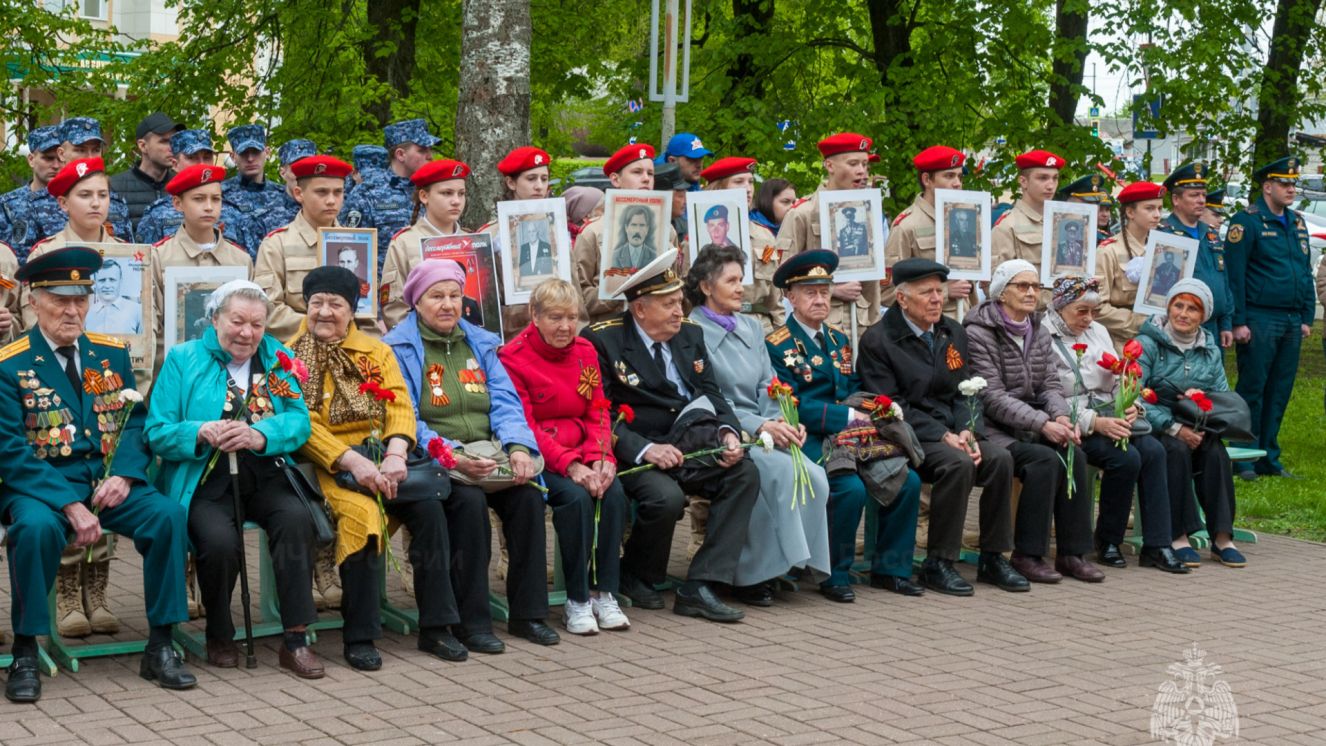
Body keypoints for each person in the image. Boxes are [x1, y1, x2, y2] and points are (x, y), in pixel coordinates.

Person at [0, 247, 196, 703]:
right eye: (60, 300)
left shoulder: (109, 354)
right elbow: (8, 450)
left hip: (107, 481)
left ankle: (161, 645)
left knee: (166, 516)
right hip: (42, 485)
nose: (72, 311)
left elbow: (134, 422)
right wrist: (68, 505)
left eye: (80, 299)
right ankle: (26, 651)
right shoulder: (9, 363)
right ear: (33, 301)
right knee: (32, 529)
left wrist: (126, 476)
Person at [288, 266, 468, 668]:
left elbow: (400, 406)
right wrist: (352, 461)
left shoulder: (376, 350)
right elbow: (301, 423)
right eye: (316, 303)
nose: (324, 312)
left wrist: (396, 453)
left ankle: (437, 627)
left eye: (336, 304)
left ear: (352, 311)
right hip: (328, 464)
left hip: (384, 456)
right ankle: (360, 634)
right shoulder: (289, 356)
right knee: (363, 516)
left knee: (429, 510)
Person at [145, 279, 324, 677]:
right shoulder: (183, 358)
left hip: (265, 471)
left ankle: (295, 637)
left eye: (257, 324)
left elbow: (299, 421)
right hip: (206, 476)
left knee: (296, 520)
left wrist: (262, 434)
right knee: (219, 542)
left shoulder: (276, 357)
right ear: (214, 319)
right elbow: (156, 430)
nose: (247, 333)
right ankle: (219, 632)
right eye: (237, 321)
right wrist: (200, 431)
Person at [384, 259, 558, 650]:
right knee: (468, 503)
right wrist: (453, 456)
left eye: (454, 295)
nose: (447, 304)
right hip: (440, 461)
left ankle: (528, 616)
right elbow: (405, 416)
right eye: (436, 296)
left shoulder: (481, 342)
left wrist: (518, 448)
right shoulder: (397, 348)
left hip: (491, 452)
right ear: (416, 302)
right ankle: (472, 621)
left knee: (529, 498)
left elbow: (506, 402)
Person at [581, 249, 758, 622]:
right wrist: (645, 449)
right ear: (640, 309)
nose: (681, 311)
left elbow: (711, 392)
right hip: (638, 449)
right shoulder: (604, 340)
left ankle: (702, 583)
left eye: (680, 301)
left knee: (744, 472)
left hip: (690, 444)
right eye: (669, 304)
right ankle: (638, 575)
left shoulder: (689, 335)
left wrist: (728, 432)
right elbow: (601, 412)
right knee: (665, 497)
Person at [857, 258, 1026, 595]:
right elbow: (888, 405)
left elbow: (966, 390)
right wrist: (941, 435)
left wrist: (967, 429)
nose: (937, 298)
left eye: (940, 290)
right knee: (958, 464)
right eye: (927, 292)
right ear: (902, 298)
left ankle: (993, 557)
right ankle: (939, 562)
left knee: (999, 458)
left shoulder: (952, 331)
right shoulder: (879, 340)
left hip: (952, 430)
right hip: (907, 432)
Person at [766, 250, 923, 601]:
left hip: (851, 434)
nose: (820, 299)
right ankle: (833, 572)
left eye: (824, 291)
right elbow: (790, 403)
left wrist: (879, 408)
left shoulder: (838, 341)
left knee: (906, 479)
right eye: (810, 293)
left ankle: (892, 569)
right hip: (809, 435)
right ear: (790, 298)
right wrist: (847, 417)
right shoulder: (777, 345)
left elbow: (851, 389)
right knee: (847, 488)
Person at [685, 245, 832, 605]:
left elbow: (771, 385)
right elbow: (712, 398)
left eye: (741, 280)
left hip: (764, 426)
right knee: (777, 475)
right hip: (730, 431)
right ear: (706, 286)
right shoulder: (692, 331)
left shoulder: (752, 326)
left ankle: (787, 565)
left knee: (814, 475)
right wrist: (760, 427)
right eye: (731, 281)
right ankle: (751, 575)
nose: (740, 288)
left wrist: (784, 421)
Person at [20, 158, 129, 630]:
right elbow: (35, 322)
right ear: (64, 202)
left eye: (103, 194)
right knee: (63, 454)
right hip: (57, 368)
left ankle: (97, 587)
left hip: (116, 367)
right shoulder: (48, 253)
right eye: (86, 195)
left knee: (106, 465)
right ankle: (67, 591)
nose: (96, 203)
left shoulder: (129, 251)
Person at [499, 278, 631, 635]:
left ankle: (605, 591)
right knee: (575, 500)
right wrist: (571, 466)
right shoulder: (513, 358)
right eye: (556, 317)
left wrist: (602, 458)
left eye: (572, 317)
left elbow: (598, 410)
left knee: (613, 492)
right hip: (545, 456)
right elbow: (526, 425)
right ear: (534, 316)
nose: (566, 327)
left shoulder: (585, 350)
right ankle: (576, 599)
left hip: (586, 450)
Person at [964, 259, 1098, 583]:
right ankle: (1027, 554)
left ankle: (1071, 553)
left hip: (1032, 420)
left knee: (1074, 454)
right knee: (1043, 461)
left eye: (1035, 286)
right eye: (1021, 286)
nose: (1030, 292)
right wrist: (1043, 424)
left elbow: (1050, 384)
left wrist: (1062, 417)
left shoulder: (1036, 329)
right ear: (1001, 293)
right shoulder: (979, 333)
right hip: (994, 427)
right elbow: (991, 396)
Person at [1044, 276, 1188, 573]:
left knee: (1154, 450)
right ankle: (1109, 540)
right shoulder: (1044, 337)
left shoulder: (1098, 331)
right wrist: (1095, 422)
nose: (1088, 319)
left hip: (1112, 415)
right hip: (1075, 422)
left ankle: (1157, 545)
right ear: (1060, 307)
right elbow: (1047, 396)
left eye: (1093, 312)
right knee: (1125, 457)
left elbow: (1117, 377)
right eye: (1081, 311)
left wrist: (1131, 404)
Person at [1136, 279, 1246, 567]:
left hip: (1198, 423)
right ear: (1169, 307)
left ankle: (1222, 537)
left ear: (1203, 316)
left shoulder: (1209, 348)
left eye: (1192, 309)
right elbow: (1134, 396)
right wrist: (1174, 427)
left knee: (1215, 453)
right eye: (1178, 305)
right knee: (1175, 450)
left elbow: (1220, 396)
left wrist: (1201, 412)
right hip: (1156, 423)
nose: (1183, 314)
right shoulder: (1147, 343)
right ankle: (1178, 534)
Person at [1224, 156, 1315, 480]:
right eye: (1284, 183)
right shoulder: (1245, 222)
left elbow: (1303, 270)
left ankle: (1269, 458)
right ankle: (1243, 457)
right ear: (1267, 187)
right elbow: (1235, 276)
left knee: (1279, 390)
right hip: (1260, 318)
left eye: (1293, 183)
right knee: (1253, 388)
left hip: (1291, 319)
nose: (1291, 189)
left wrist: (1307, 314)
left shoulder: (1297, 222)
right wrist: (1238, 321)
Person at [146, 163, 255, 398]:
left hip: (230, 377)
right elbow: (151, 325)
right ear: (177, 204)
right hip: (174, 378)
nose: (209, 207)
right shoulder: (158, 256)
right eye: (198, 199)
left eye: (216, 199)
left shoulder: (240, 259)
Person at [777, 133, 881, 330]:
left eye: (865, 164)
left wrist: (875, 325)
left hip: (861, 323)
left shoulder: (867, 213)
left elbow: (872, 284)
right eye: (853, 164)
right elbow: (783, 278)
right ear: (830, 166)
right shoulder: (803, 213)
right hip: (818, 324)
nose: (862, 172)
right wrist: (832, 290)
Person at [573, 143, 681, 324]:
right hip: (610, 329)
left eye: (650, 173)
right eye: (637, 172)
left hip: (655, 327)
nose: (646, 179)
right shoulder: (593, 232)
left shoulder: (667, 231)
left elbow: (675, 282)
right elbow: (579, 294)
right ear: (616, 180)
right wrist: (619, 292)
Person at [255, 155, 356, 342]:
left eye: (338, 192)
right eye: (322, 192)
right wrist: (320, 327)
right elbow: (268, 310)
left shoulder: (356, 243)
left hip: (349, 347)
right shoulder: (277, 245)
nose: (331, 200)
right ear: (299, 194)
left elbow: (367, 312)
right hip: (295, 352)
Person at [884, 145, 977, 316]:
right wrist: (945, 291)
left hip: (964, 319)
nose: (957, 183)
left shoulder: (964, 218)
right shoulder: (907, 225)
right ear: (927, 180)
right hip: (927, 326)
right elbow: (887, 293)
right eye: (949, 176)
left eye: (959, 177)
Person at [380, 159, 472, 330]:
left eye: (461, 193)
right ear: (424, 196)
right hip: (423, 344)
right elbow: (394, 307)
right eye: (447, 193)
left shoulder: (473, 241)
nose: (456, 201)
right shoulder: (404, 243)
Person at [135, 129, 259, 255]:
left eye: (207, 157)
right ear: (174, 163)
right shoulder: (156, 215)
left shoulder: (235, 213)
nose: (201, 164)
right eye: (192, 158)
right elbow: (144, 266)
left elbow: (248, 263)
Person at [343, 118, 441, 276]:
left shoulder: (436, 190)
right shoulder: (367, 193)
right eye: (422, 150)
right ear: (401, 155)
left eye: (430, 150)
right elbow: (352, 249)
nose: (430, 156)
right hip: (385, 295)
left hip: (432, 290)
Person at [702, 156, 786, 331]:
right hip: (715, 326)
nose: (748, 189)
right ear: (718, 188)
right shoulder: (698, 238)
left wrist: (781, 337)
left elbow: (775, 299)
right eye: (739, 182)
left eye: (750, 182)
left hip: (760, 326)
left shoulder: (765, 236)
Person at [1160, 162, 1233, 346]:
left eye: (1203, 195)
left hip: (1214, 327)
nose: (1201, 200)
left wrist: (1226, 323)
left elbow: (1224, 280)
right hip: (1183, 329)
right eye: (1194, 195)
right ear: (1176, 200)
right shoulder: (1165, 235)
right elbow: (1160, 289)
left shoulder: (1210, 233)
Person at [32, 118, 134, 243]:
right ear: (61, 154)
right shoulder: (34, 206)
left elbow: (127, 255)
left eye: (96, 150)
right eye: (80, 150)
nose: (90, 158)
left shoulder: (116, 204)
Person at [1096, 181, 1166, 350]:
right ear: (1130, 212)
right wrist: (1140, 322)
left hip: (1159, 343)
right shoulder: (1108, 251)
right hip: (1121, 343)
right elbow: (1097, 307)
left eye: (1159, 208)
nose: (1157, 215)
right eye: (1149, 208)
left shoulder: (1163, 249)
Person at [991, 149, 1063, 307]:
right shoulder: (1007, 226)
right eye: (1042, 178)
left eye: (1055, 178)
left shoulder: (1064, 223)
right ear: (1023, 181)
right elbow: (998, 287)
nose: (1050, 185)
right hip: (1028, 319)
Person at [0, 125, 63, 261]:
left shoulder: (74, 203)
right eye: (48, 158)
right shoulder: (7, 204)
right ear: (31, 160)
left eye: (60, 159)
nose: (56, 165)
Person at [109, 112, 184, 225]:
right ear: (143, 146)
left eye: (174, 141)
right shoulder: (114, 187)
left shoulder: (182, 186)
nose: (172, 147)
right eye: (164, 141)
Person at [253, 139, 318, 237]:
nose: (304, 175)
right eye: (298, 169)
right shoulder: (266, 216)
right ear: (283, 173)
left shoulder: (327, 209)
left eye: (309, 168)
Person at [222, 124, 284, 219]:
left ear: (267, 153)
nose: (250, 159)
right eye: (243, 153)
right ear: (233, 156)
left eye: (256, 152)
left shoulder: (283, 195)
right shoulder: (220, 195)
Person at [86, 259, 142, 334]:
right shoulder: (86, 313)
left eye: (112, 280)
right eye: (102, 280)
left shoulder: (137, 311)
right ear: (95, 283)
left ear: (120, 281)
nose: (107, 286)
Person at [1056, 172, 1114, 243]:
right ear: (1071, 202)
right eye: (1088, 202)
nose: (1094, 208)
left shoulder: (1102, 239)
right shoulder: (1054, 231)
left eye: (1096, 203)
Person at [610, 205, 658, 269]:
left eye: (642, 225)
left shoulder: (654, 256)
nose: (637, 231)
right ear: (626, 228)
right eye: (633, 225)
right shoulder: (615, 256)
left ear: (647, 229)